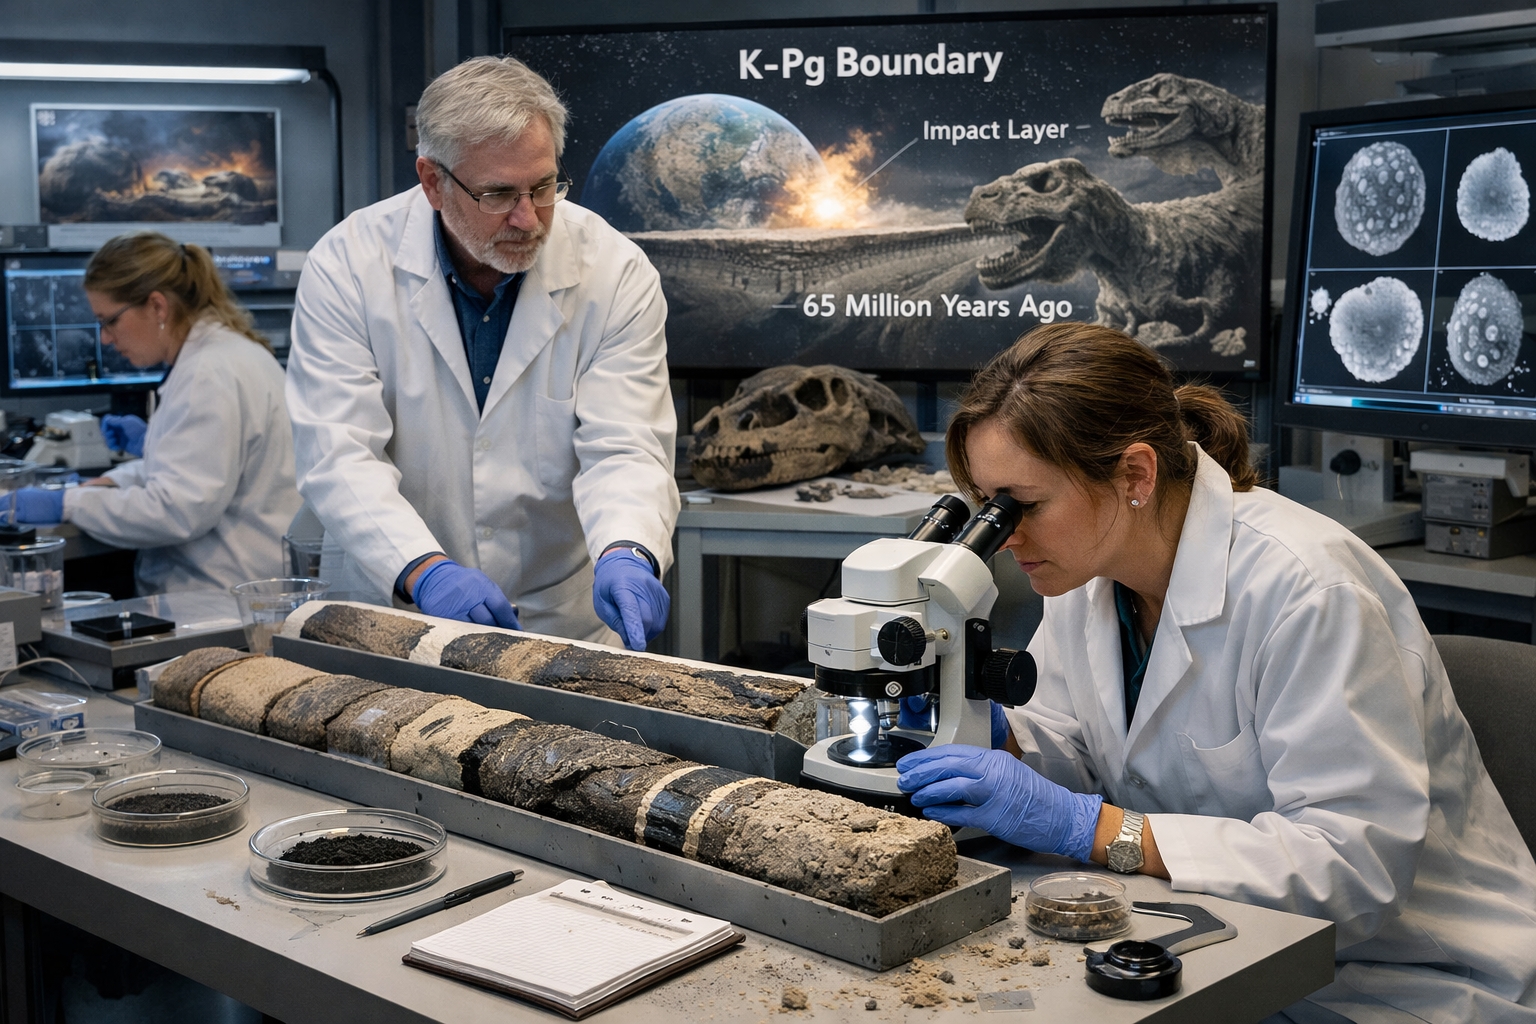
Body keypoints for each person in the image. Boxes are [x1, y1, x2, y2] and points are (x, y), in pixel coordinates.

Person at [897, 323, 1536, 1023]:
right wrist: (1006, 744)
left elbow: (1350, 870)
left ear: (1135, 475)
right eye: (988, 507)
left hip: (1394, 980)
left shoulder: (1308, 590)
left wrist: (1093, 829)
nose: (1006, 534)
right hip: (1213, 940)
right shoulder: (1089, 573)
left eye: (1025, 505)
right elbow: (1081, 745)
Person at [286, 55, 676, 648]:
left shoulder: (615, 272)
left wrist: (628, 549)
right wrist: (425, 570)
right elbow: (339, 455)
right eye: (497, 193)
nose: (528, 218)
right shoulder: (348, 266)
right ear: (433, 181)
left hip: (559, 615)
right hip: (402, 609)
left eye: (543, 186)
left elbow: (624, 447)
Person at [7, 233, 302, 594]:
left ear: (158, 307)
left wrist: (67, 502)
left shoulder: (207, 373)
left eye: (109, 320)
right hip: (237, 590)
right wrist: (117, 480)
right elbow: (195, 474)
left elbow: (175, 512)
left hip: (216, 603)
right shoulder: (227, 354)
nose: (105, 339)